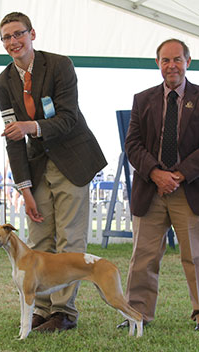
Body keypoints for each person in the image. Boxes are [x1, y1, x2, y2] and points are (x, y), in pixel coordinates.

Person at [0, 12, 107, 332]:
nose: (14, 42)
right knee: (39, 239)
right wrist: (24, 188)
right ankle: (41, 308)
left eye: (19, 34)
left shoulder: (59, 66)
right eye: (7, 37)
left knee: (70, 240)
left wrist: (31, 126)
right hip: (36, 166)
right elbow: (13, 138)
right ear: (2, 43)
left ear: (32, 34)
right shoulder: (3, 82)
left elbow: (69, 117)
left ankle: (64, 312)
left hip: (73, 160)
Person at [117, 38, 199, 331]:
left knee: (195, 256)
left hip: (188, 189)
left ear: (188, 62)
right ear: (157, 64)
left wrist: (178, 175)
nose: (171, 66)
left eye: (177, 59)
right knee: (143, 257)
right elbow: (133, 144)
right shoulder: (143, 99)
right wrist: (156, 173)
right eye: (165, 60)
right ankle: (137, 314)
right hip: (150, 189)